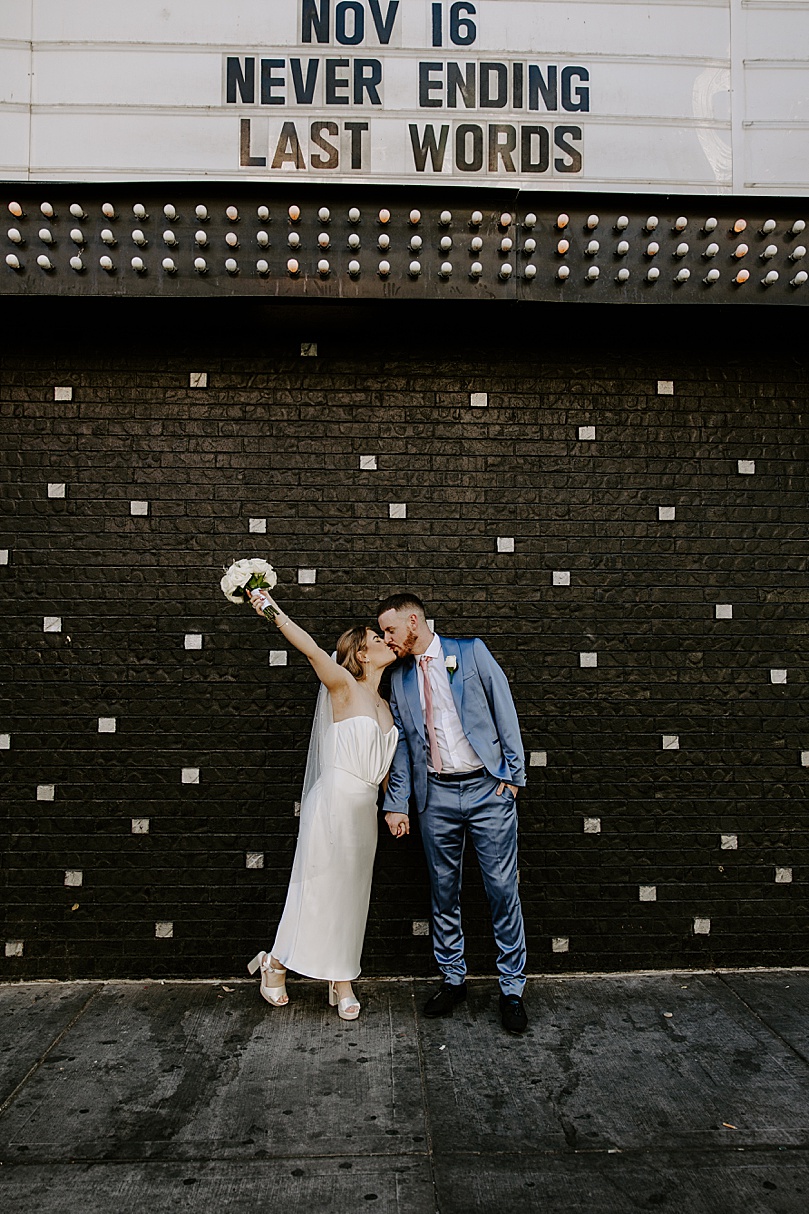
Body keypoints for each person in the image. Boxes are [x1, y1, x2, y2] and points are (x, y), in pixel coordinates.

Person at [377, 593, 529, 1034]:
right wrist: (397, 803)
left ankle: (512, 988)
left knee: (502, 889)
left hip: (487, 789)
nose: (388, 639)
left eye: (390, 630)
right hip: (436, 797)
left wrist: (513, 777)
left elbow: (505, 710)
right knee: (444, 891)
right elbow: (403, 746)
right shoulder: (400, 677)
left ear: (413, 621)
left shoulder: (471, 652)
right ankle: (453, 978)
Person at [246, 589, 397, 1020]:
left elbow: (384, 769)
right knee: (316, 890)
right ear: (362, 654)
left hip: (363, 812)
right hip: (332, 801)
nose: (387, 642)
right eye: (377, 638)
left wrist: (394, 808)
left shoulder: (385, 704)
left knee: (351, 896)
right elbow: (311, 648)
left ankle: (339, 977)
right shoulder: (342, 685)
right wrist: (270, 608)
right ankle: (275, 964)